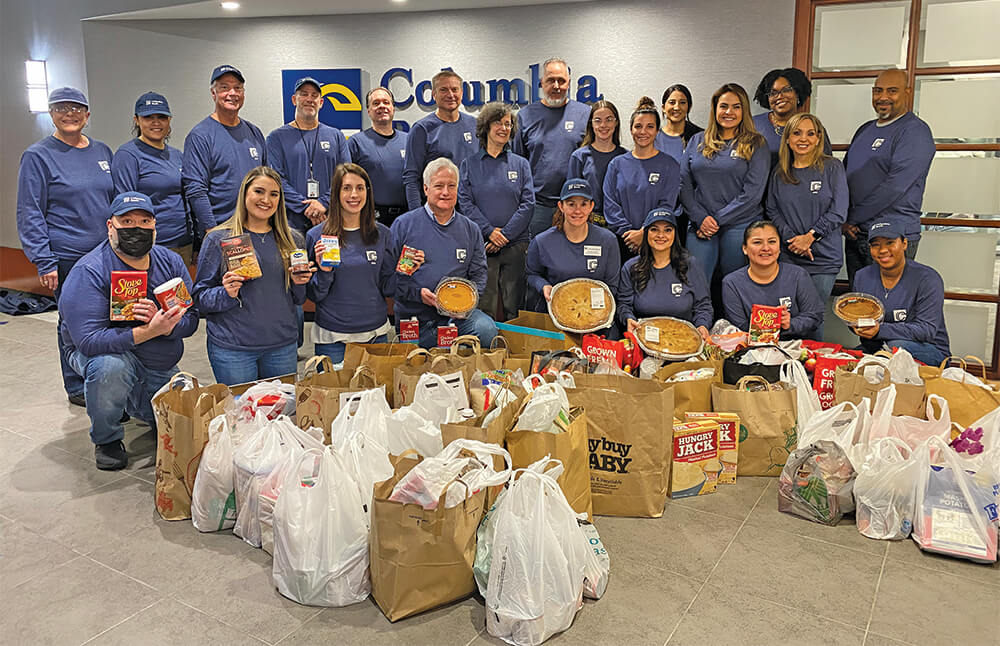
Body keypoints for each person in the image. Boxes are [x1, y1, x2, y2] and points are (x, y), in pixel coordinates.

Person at [59, 192, 199, 470]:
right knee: (110, 369)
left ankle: (130, 401)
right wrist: (149, 330)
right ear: (110, 226)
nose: (137, 228)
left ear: (155, 227)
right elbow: (87, 342)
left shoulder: (170, 262)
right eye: (127, 221)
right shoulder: (89, 270)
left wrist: (168, 325)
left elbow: (191, 319)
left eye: (145, 220)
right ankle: (107, 438)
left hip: (157, 357)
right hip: (101, 352)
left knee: (184, 421)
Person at [16, 86, 115, 406]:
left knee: (111, 317)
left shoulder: (102, 151)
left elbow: (112, 202)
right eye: (61, 108)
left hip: (106, 253)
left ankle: (109, 377)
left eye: (76, 108)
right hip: (67, 256)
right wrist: (43, 261)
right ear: (51, 114)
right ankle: (77, 385)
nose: (69, 114)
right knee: (73, 320)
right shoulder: (38, 156)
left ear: (88, 115)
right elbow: (30, 211)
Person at [193, 167, 313, 385]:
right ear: (244, 194)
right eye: (259, 191)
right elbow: (200, 298)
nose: (266, 200)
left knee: (281, 415)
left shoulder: (293, 239)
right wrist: (226, 292)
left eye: (274, 194)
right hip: (234, 349)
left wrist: (299, 283)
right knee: (241, 416)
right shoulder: (218, 239)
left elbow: (298, 299)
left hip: (282, 346)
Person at [390, 158, 497, 348]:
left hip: (458, 320)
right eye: (439, 186)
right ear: (425, 189)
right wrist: (417, 294)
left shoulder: (471, 229)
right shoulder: (403, 225)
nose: (446, 192)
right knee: (418, 364)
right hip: (415, 320)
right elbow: (387, 277)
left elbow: (479, 275)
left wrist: (464, 305)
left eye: (451, 186)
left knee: (487, 330)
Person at [843, 69, 935, 283]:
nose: (883, 97)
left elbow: (895, 186)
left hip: (892, 236)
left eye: (892, 91)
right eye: (878, 91)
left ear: (907, 93)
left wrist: (851, 217)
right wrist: (843, 218)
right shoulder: (865, 129)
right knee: (860, 306)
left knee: (888, 307)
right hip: (857, 234)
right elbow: (844, 174)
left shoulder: (914, 131)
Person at [765, 112, 848, 332]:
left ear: (819, 138)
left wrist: (810, 238)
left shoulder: (832, 168)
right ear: (788, 139)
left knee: (812, 320)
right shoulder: (779, 173)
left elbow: (839, 211)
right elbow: (772, 210)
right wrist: (793, 240)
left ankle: (813, 365)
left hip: (823, 258)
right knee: (786, 320)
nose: (804, 139)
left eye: (810, 133)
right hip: (789, 256)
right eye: (797, 133)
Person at [681, 83, 769, 285]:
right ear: (715, 109)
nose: (729, 112)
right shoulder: (697, 141)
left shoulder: (756, 144)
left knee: (736, 285)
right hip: (700, 226)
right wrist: (701, 218)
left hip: (739, 225)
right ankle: (702, 319)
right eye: (724, 106)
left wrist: (716, 220)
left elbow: (753, 193)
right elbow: (683, 184)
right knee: (696, 284)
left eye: (736, 107)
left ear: (744, 110)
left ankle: (733, 319)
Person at [306, 164, 395, 364]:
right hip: (333, 338)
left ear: (368, 192)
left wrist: (406, 271)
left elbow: (388, 287)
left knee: (376, 395)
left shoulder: (383, 235)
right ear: (336, 192)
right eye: (346, 188)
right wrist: (324, 271)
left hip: (375, 334)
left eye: (360, 188)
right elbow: (314, 294)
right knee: (335, 395)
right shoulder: (316, 236)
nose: (354, 194)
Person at [458, 102, 534, 321]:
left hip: (516, 245)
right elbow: (465, 202)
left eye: (508, 124)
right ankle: (488, 353)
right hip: (483, 246)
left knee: (515, 306)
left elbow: (528, 203)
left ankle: (514, 352)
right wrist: (490, 232)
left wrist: (505, 235)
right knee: (485, 306)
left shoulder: (521, 164)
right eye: (498, 123)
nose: (504, 128)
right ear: (486, 127)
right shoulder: (469, 164)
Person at [182, 65, 267, 239]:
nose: (232, 93)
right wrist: (212, 233)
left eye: (238, 88)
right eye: (224, 88)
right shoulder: (200, 135)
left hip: (256, 228)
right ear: (213, 94)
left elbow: (267, 182)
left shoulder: (254, 133)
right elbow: (195, 189)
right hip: (223, 231)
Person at [850, 220, 950, 365]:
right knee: (846, 358)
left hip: (930, 350)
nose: (882, 250)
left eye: (890, 243)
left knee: (895, 345)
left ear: (904, 243)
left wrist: (879, 330)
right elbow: (858, 316)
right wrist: (856, 325)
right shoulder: (862, 276)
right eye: (875, 245)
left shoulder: (927, 278)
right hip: (878, 346)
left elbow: (926, 330)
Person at [512, 58, 591, 238]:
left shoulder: (585, 115)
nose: (556, 86)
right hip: (537, 206)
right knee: (534, 260)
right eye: (550, 80)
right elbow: (517, 163)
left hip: (575, 205)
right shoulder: (525, 116)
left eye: (561, 81)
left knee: (572, 259)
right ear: (541, 83)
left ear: (569, 83)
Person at [266, 77, 351, 236]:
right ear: (294, 99)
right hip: (291, 222)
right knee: (295, 261)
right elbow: (276, 179)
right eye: (304, 94)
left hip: (329, 219)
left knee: (329, 261)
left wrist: (323, 203)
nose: (309, 99)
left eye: (314, 95)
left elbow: (345, 176)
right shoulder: (276, 137)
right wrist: (305, 207)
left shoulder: (336, 136)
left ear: (321, 102)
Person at [112, 92, 190, 264]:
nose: (156, 122)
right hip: (151, 245)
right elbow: (126, 206)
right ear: (137, 120)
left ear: (169, 120)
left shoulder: (177, 155)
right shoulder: (128, 155)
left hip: (183, 242)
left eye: (161, 117)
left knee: (181, 291)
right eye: (149, 117)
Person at [525, 178, 621, 313]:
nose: (578, 211)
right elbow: (531, 274)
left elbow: (612, 285)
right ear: (561, 206)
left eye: (583, 204)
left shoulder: (608, 240)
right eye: (571, 204)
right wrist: (544, 286)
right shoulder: (542, 241)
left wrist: (591, 312)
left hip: (595, 313)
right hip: (556, 311)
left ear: (591, 207)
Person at [604, 97, 681, 258]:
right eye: (638, 126)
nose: (643, 132)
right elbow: (610, 205)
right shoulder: (616, 164)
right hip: (622, 241)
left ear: (657, 131)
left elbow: (667, 205)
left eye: (650, 127)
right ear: (631, 130)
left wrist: (645, 232)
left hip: (657, 242)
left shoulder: (670, 165)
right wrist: (629, 235)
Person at [721, 220, 824, 340]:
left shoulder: (798, 275)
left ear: (779, 248)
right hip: (751, 350)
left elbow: (814, 317)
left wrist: (790, 324)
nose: (765, 248)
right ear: (745, 248)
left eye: (772, 242)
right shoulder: (731, 283)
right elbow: (738, 328)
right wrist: (769, 325)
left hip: (795, 348)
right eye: (757, 242)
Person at [617, 209, 712, 337]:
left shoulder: (691, 265)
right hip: (645, 338)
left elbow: (703, 306)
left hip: (683, 338)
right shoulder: (631, 267)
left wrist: (702, 326)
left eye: (667, 230)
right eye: (654, 229)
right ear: (646, 233)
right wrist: (628, 318)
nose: (661, 235)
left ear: (675, 234)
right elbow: (624, 305)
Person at [402, 71, 478, 210]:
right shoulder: (421, 129)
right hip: (437, 210)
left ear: (461, 93)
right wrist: (417, 216)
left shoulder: (475, 125)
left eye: (455, 89)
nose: (450, 95)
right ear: (434, 94)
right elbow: (411, 177)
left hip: (472, 211)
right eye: (443, 90)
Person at [349, 87, 408, 225]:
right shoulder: (356, 142)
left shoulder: (409, 140)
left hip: (406, 215)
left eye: (386, 102)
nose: (382, 106)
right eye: (376, 103)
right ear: (368, 111)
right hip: (371, 217)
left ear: (393, 108)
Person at [752, 68, 831, 169]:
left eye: (786, 90)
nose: (779, 96)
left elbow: (826, 165)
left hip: (802, 183)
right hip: (760, 184)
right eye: (773, 93)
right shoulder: (754, 124)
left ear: (797, 93)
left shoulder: (811, 127)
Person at [567, 100, 626, 227]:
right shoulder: (579, 157)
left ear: (616, 122)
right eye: (598, 120)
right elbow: (572, 197)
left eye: (609, 119)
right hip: (588, 224)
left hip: (620, 224)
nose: (603, 125)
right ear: (591, 124)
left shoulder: (625, 157)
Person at [654, 84, 704, 163]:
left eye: (682, 102)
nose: (677, 107)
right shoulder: (653, 138)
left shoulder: (701, 137)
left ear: (689, 107)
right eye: (672, 102)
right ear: (663, 108)